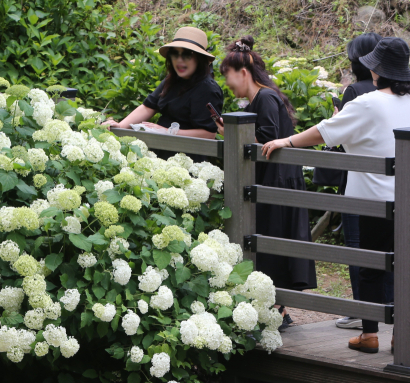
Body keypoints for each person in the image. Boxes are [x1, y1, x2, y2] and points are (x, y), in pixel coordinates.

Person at [262, 37, 410, 353]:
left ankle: (369, 334)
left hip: (373, 200)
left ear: (377, 70)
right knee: (409, 268)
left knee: (369, 267)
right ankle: (401, 333)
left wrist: (288, 141)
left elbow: (325, 131)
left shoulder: (367, 102)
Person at [218, 35, 317, 332]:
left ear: (243, 72)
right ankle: (273, 309)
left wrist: (236, 134)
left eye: (229, 77)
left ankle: (276, 311)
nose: (228, 85)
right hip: (273, 179)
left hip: (278, 180)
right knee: (267, 243)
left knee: (273, 243)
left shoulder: (266, 98)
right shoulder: (259, 99)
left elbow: (268, 137)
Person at [102, 27, 224, 160]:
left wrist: (168, 132)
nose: (179, 60)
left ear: (199, 59)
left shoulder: (207, 89)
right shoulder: (173, 80)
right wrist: (120, 126)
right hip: (161, 152)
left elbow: (208, 134)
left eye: (187, 54)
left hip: (187, 159)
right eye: (174, 54)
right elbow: (148, 106)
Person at [334, 32, 387, 331]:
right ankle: (389, 309)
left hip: (359, 183)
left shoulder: (354, 91)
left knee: (358, 247)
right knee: (388, 252)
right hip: (390, 186)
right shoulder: (396, 93)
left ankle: (360, 312)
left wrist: (336, 118)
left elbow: (344, 139)